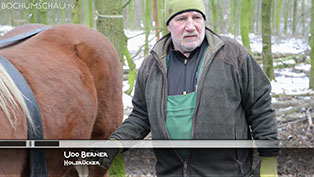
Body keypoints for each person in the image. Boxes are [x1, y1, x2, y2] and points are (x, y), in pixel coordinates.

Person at [93, 0, 279, 176]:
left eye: (196, 18)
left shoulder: (232, 55)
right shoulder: (152, 67)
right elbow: (141, 116)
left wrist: (269, 159)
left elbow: (260, 107)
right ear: (169, 25)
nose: (191, 26)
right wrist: (114, 144)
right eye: (181, 19)